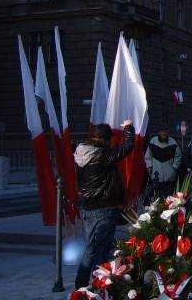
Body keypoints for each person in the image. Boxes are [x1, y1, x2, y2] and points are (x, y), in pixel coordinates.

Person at [74, 121, 135, 289]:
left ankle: (90, 283)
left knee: (93, 246)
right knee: (100, 249)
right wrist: (128, 128)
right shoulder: (101, 156)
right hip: (103, 207)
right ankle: (93, 284)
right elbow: (127, 147)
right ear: (106, 139)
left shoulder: (82, 154)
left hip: (88, 207)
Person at [144, 127, 182, 200]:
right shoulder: (153, 141)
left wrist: (174, 168)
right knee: (156, 199)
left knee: (168, 199)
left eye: (165, 131)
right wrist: (150, 168)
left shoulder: (173, 142)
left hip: (169, 177)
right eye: (162, 131)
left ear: (168, 132)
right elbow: (148, 156)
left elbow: (178, 156)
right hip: (156, 176)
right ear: (159, 132)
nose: (164, 133)